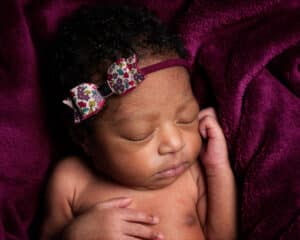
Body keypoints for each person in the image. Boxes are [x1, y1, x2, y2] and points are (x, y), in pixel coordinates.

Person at [41, 4, 237, 240]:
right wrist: (74, 234)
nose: (174, 143)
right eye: (139, 134)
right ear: (84, 139)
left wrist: (218, 168)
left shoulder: (193, 173)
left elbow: (223, 236)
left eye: (186, 119)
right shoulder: (70, 182)